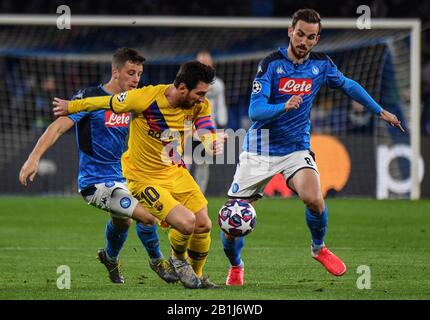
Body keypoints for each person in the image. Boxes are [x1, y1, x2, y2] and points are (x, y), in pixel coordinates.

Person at [221, 8, 405, 286]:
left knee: (315, 200)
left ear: (317, 39)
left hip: (296, 148)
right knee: (233, 223)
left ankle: (318, 248)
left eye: (310, 36)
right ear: (290, 32)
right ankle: (236, 266)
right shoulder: (270, 64)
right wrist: (285, 105)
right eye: (299, 34)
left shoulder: (321, 64)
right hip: (259, 149)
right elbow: (255, 111)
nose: (303, 40)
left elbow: (348, 85)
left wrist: (380, 111)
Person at [52, 61, 226, 289]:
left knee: (203, 224)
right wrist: (73, 107)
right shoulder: (145, 98)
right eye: (200, 93)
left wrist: (210, 141)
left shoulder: (198, 104)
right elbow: (105, 102)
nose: (203, 99)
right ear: (182, 88)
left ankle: (197, 275)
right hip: (143, 178)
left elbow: (204, 127)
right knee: (187, 223)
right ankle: (177, 259)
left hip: (175, 170)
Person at [19, 47, 178, 285]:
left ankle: (109, 257)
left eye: (139, 74)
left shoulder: (132, 102)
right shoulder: (89, 98)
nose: (136, 79)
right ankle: (158, 263)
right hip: (95, 183)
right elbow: (57, 127)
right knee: (147, 217)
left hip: (126, 177)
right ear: (115, 71)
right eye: (131, 73)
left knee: (122, 221)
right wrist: (34, 157)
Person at [189, 51, 228, 194]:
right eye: (201, 63)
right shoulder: (188, 83)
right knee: (184, 161)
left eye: (207, 62)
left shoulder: (217, 85)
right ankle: (181, 192)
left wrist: (222, 125)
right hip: (189, 128)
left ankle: (200, 194)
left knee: (203, 163)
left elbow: (221, 105)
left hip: (208, 128)